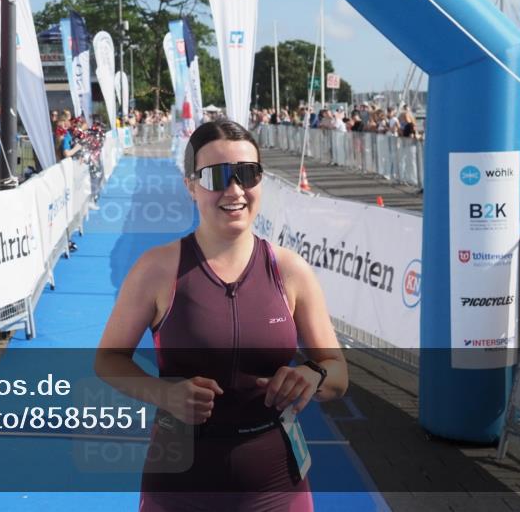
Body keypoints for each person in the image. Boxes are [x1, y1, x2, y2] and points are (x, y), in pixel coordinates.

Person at [96, 120, 347, 511]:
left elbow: (338, 372)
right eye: (217, 176)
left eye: (247, 175)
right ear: (191, 186)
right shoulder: (157, 269)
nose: (234, 191)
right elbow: (107, 359)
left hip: (276, 485)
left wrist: (313, 376)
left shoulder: (290, 270)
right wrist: (163, 393)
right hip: (179, 486)